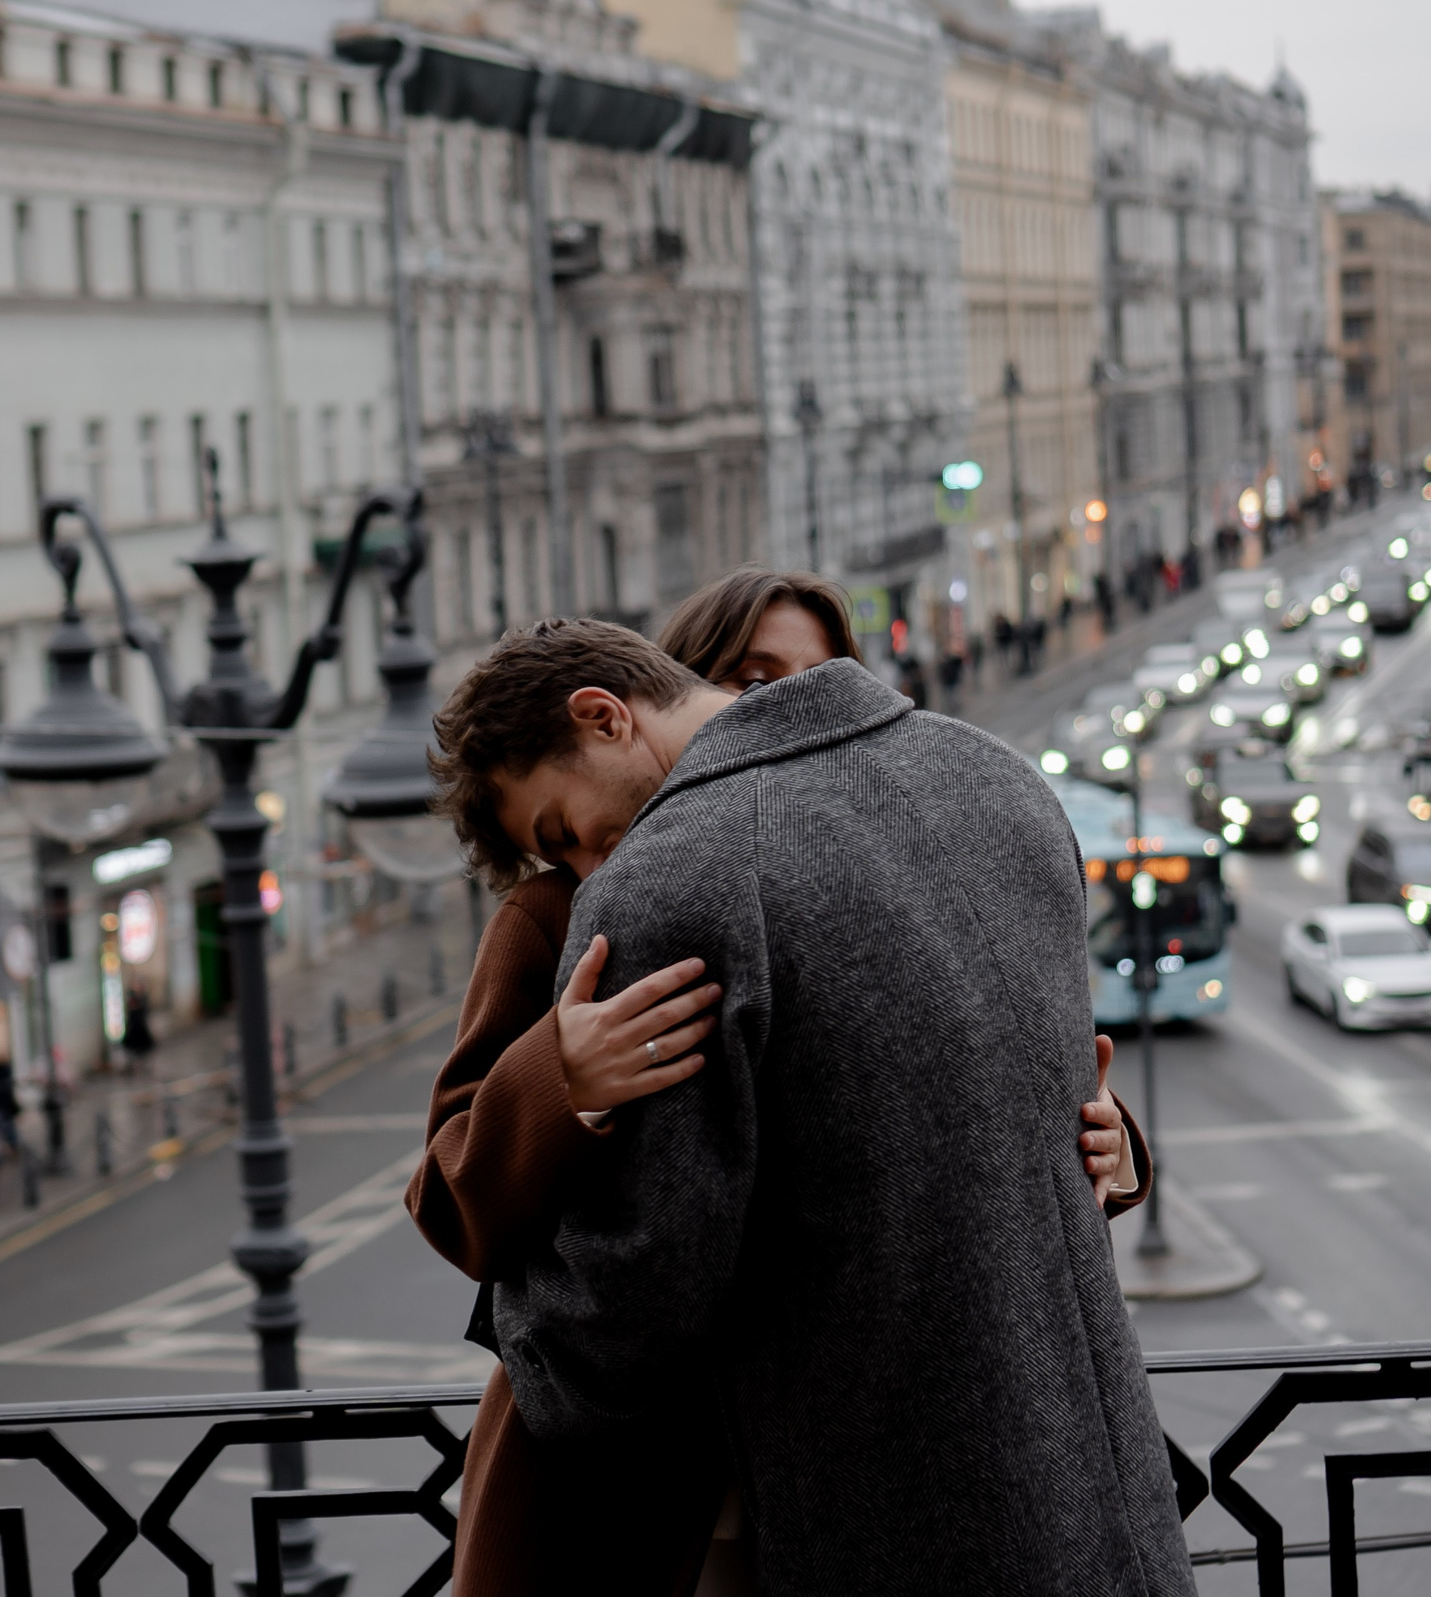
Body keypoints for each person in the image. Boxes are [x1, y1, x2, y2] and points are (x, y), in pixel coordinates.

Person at [412, 577, 1148, 1596]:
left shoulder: (681, 872)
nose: (585, 858)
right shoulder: (1000, 780)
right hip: (963, 1462)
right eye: (747, 677)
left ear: (605, 713)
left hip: (832, 1456)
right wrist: (558, 1079)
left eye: (563, 824)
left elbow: (648, 1271)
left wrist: (1112, 1145)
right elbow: (456, 1186)